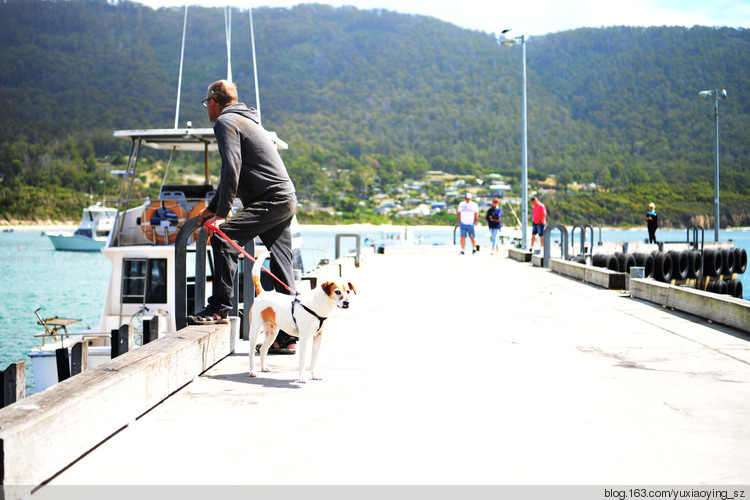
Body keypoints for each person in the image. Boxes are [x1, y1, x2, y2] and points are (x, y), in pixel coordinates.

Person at [189, 80, 298, 353]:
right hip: (285, 198)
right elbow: (233, 173)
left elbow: (231, 169)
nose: (207, 109)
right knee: (282, 265)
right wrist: (214, 208)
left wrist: (221, 216)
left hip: (270, 200)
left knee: (224, 238)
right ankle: (288, 335)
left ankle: (219, 307)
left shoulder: (226, 122)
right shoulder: (248, 120)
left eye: (206, 104)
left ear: (213, 101)